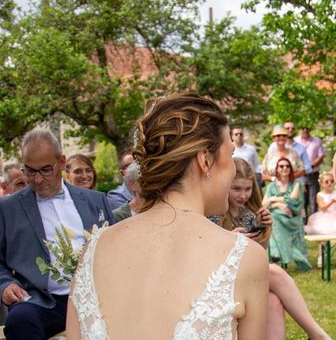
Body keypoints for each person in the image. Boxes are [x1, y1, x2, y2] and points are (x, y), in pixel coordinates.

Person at [66, 93, 268, 339]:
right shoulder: (244, 257)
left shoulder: (94, 250)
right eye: (231, 154)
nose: (235, 168)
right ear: (205, 160)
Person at [0, 129, 114, 340]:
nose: (37, 179)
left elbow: (117, 249)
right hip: (42, 301)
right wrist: (6, 284)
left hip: (96, 298)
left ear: (61, 162)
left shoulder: (96, 200)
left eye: (45, 170)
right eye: (30, 171)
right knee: (19, 320)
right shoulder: (8, 208)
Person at [211, 158, 331, 340]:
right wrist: (231, 239)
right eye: (236, 189)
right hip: (219, 280)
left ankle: (316, 334)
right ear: (225, 185)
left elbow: (259, 256)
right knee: (274, 270)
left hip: (245, 278)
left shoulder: (249, 215)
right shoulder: (213, 214)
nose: (243, 195)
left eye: (248, 189)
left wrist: (266, 230)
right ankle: (317, 334)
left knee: (273, 301)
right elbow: (208, 256)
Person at [262, 157, 311, 271]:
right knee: (273, 218)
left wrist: (273, 200)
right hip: (277, 218)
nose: (285, 168)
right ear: (277, 169)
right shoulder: (272, 186)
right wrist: (279, 205)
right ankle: (276, 255)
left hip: (292, 219)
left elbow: (292, 200)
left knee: (273, 219)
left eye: (287, 166)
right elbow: (264, 203)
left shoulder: (296, 184)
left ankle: (276, 255)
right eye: (281, 166)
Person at [295, 126, 326, 216]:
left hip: (313, 174)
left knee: (313, 201)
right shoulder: (295, 141)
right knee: (302, 200)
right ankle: (303, 224)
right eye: (302, 128)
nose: (305, 130)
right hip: (299, 175)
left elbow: (321, 156)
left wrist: (309, 166)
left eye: (307, 128)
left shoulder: (317, 141)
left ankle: (313, 223)